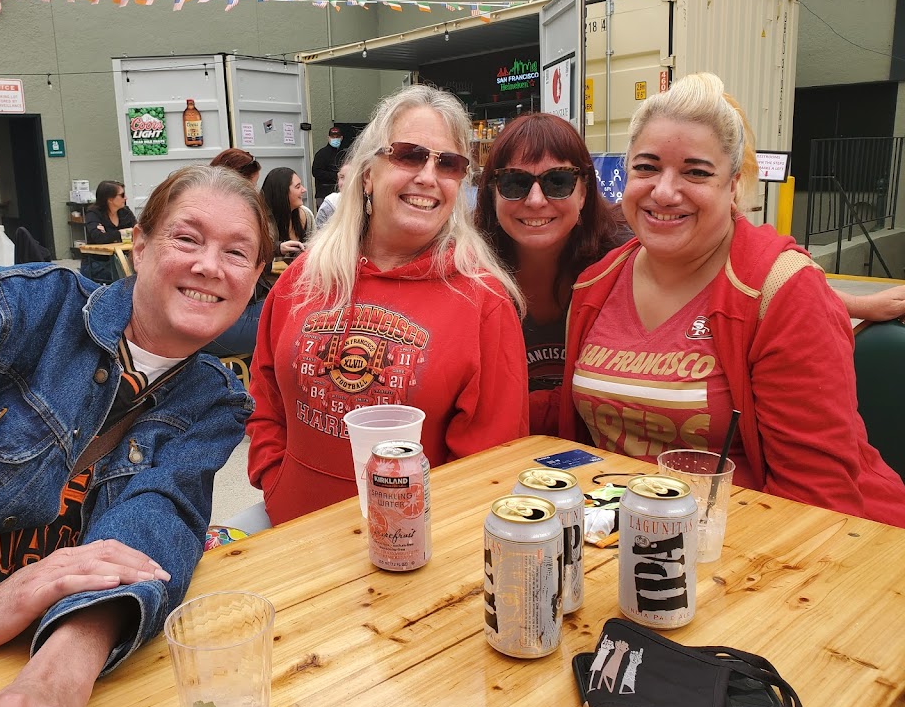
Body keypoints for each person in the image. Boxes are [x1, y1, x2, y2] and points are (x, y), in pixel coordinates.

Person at [0, 164, 273, 707]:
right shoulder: (17, 310)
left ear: (257, 275)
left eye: (237, 253)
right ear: (139, 245)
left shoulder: (212, 400)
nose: (208, 266)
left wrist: (64, 666)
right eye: (187, 238)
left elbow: (152, 524)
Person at [558, 72, 905, 526]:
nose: (663, 191)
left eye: (696, 172)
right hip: (631, 548)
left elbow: (817, 503)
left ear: (735, 184)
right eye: (646, 167)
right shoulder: (593, 285)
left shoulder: (784, 291)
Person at [247, 84, 530, 524]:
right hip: (293, 537)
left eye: (449, 163)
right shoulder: (305, 278)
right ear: (367, 174)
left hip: (411, 558)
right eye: (408, 154)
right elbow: (265, 395)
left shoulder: (484, 301)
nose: (428, 177)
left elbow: (488, 469)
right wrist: (274, 479)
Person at [474, 113, 630, 433]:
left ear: (584, 192)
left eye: (557, 181)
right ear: (492, 194)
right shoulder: (466, 273)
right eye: (514, 182)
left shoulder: (626, 266)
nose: (535, 200)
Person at [204, 148, 268, 357]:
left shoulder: (207, 207)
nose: (255, 192)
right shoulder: (231, 218)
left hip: (213, 318)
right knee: (295, 315)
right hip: (216, 323)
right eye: (252, 185)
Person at [81, 180, 138, 284]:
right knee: (127, 275)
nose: (126, 198)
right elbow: (99, 238)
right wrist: (122, 232)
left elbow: (138, 231)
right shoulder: (93, 213)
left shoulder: (124, 211)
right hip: (98, 262)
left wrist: (110, 234)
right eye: (122, 195)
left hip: (123, 259)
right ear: (110, 199)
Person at [260, 166, 314, 258]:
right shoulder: (262, 221)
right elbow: (259, 253)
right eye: (298, 187)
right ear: (282, 193)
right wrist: (277, 249)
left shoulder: (306, 214)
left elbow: (313, 249)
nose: (304, 190)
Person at [311, 125, 344, 209]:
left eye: (337, 137)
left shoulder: (343, 154)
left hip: (340, 193)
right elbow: (316, 172)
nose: (335, 139)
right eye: (333, 137)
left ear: (341, 138)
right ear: (328, 138)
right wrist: (335, 176)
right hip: (324, 194)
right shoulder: (321, 154)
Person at [315, 163, 349, 230]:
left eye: (350, 178)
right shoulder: (330, 205)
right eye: (341, 177)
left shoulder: (369, 206)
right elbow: (319, 236)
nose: (344, 183)